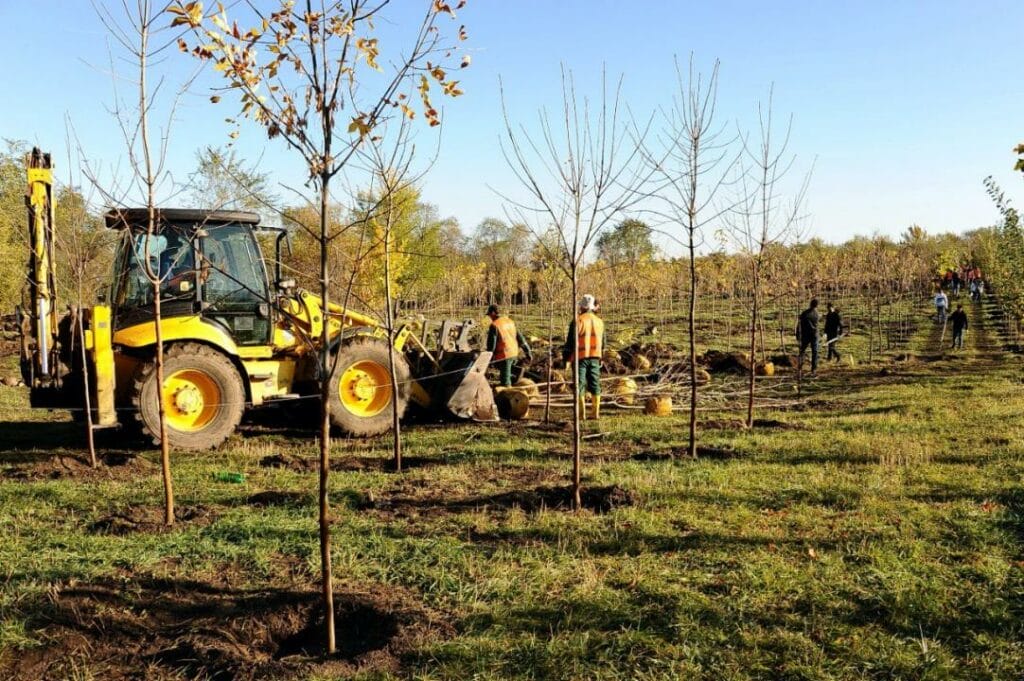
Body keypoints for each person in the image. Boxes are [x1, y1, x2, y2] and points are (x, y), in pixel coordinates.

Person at [563, 294, 604, 419]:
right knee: (595, 384)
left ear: (581, 307)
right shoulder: (599, 322)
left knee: (579, 384)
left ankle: (581, 415)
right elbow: (604, 342)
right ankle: (595, 413)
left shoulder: (578, 321)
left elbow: (570, 343)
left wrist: (566, 359)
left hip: (580, 358)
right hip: (595, 357)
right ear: (592, 307)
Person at [485, 304, 531, 387]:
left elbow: (491, 346)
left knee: (505, 380)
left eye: (489, 315)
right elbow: (521, 338)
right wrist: (528, 351)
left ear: (493, 313)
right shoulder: (510, 321)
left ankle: (507, 392)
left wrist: (488, 358)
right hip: (514, 352)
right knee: (505, 368)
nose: (489, 317)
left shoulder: (494, 325)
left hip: (504, 355)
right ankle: (518, 371)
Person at [796, 298, 820, 377]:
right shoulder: (816, 314)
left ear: (810, 304)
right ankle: (814, 369)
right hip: (814, 335)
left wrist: (797, 334)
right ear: (817, 306)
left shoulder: (804, 313)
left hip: (806, 335)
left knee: (802, 351)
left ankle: (800, 367)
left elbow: (799, 325)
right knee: (815, 352)